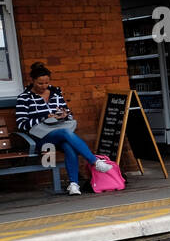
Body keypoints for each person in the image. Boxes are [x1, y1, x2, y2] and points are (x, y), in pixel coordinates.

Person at [15, 61, 113, 195]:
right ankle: (94, 161)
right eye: (40, 83)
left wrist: (65, 115)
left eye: (46, 83)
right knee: (65, 133)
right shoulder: (24, 98)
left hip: (59, 131)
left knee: (68, 145)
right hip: (41, 137)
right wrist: (44, 117)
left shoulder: (56, 93)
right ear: (32, 81)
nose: (44, 86)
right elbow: (21, 124)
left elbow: (69, 113)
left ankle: (73, 185)